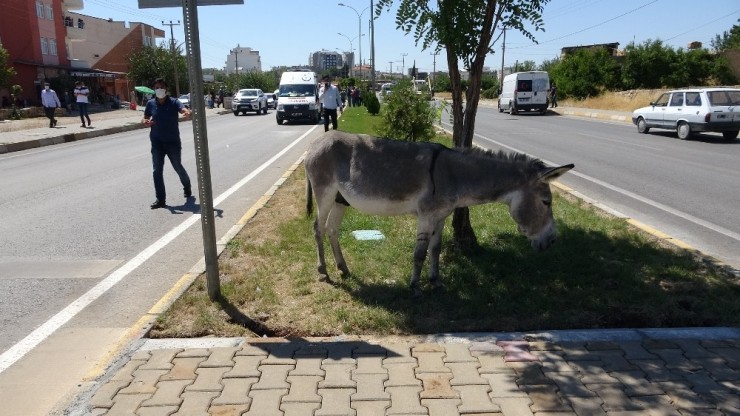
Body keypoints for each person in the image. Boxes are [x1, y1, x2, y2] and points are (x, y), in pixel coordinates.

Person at [143, 77, 193, 209]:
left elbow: (183, 109)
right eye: (156, 87)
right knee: (156, 171)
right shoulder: (150, 104)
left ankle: (187, 186)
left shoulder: (174, 102)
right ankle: (160, 199)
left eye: (161, 87)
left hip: (172, 142)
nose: (159, 89)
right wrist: (145, 122)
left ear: (166, 89)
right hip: (157, 142)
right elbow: (145, 118)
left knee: (177, 166)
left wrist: (187, 112)